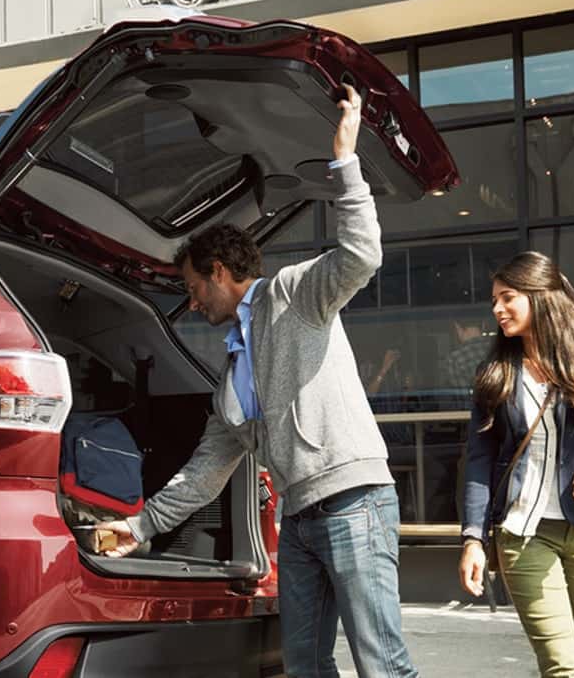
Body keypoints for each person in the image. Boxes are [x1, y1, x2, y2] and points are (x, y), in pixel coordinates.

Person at [96, 86, 418, 677]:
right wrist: (139, 526)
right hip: (299, 521)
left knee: (382, 666)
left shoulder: (294, 295)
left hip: (354, 504)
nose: (192, 303)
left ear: (219, 272)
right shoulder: (232, 377)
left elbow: (361, 255)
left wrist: (345, 162)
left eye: (193, 288)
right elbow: (204, 471)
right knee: (302, 666)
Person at [458, 251, 574, 677]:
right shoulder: (495, 373)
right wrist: (473, 538)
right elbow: (479, 460)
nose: (497, 309)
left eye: (508, 297)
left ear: (541, 296)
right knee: (563, 668)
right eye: (495, 300)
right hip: (523, 533)